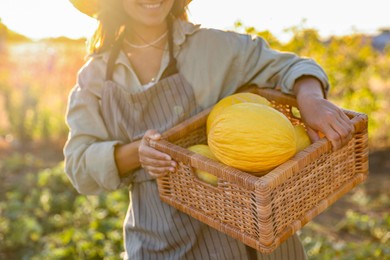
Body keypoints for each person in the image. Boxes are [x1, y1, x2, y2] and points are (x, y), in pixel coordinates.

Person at [64, 0, 354, 259]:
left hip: (246, 234)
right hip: (160, 240)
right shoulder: (95, 77)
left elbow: (294, 66)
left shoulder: (214, 47)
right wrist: (137, 153)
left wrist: (311, 99)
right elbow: (78, 165)